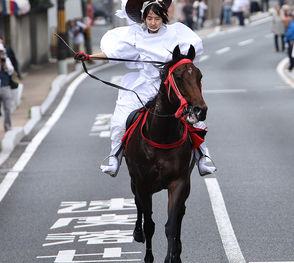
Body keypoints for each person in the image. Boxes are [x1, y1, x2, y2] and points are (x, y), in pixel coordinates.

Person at [74, 0, 216, 177]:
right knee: (120, 120)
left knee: (194, 118)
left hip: (171, 86)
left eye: (157, 18)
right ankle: (114, 157)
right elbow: (115, 54)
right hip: (145, 85)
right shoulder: (136, 36)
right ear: (144, 18)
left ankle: (202, 157)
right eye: (149, 18)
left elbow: (188, 57)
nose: (153, 22)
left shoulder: (176, 33)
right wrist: (88, 56)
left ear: (163, 18)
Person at [0, 42, 14, 131]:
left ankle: (7, 125)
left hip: (5, 86)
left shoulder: (6, 60)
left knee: (7, 108)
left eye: (0, 51)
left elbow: (11, 71)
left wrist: (4, 65)